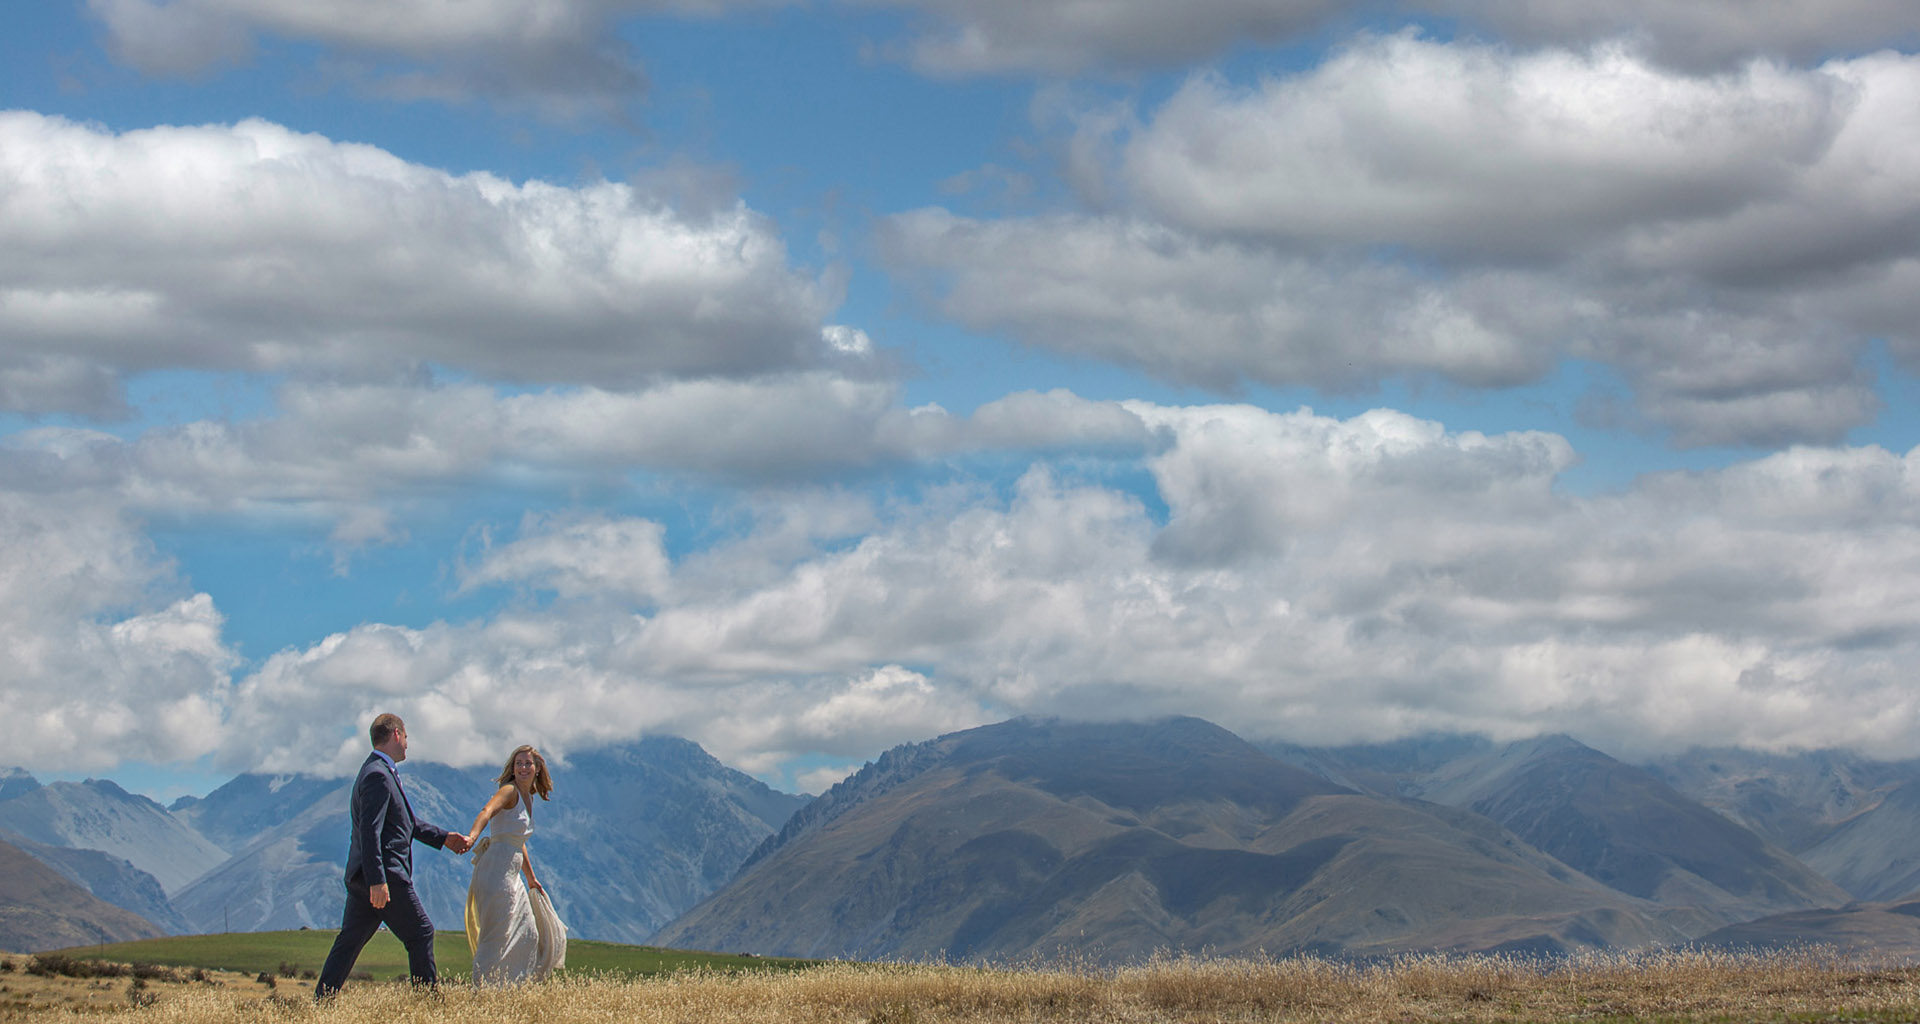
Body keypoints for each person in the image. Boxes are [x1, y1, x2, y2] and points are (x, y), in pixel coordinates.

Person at [315, 713, 471, 998]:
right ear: (396, 735)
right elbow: (369, 832)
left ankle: (321, 1001)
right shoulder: (377, 775)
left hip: (365, 877)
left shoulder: (378, 771)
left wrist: (444, 838)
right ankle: (427, 1005)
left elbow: (406, 823)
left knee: (349, 942)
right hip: (384, 876)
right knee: (421, 932)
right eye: (407, 737)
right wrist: (378, 881)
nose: (408, 744)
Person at [462, 744, 566, 985]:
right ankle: (482, 990)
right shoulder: (508, 792)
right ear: (513, 767)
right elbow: (486, 811)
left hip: (513, 873)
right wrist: (472, 836)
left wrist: (531, 878)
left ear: (537, 768)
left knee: (528, 933)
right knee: (496, 935)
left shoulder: (528, 797)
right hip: (496, 871)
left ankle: (508, 988)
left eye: (527, 763)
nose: (522, 767)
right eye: (518, 763)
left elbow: (519, 842)